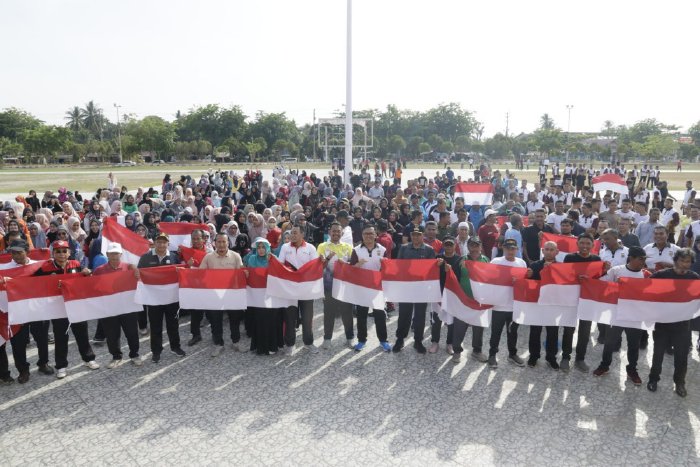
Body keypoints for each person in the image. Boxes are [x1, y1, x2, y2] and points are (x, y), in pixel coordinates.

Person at [34, 239, 98, 379]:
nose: (62, 254)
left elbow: (87, 282)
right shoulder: (45, 268)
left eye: (64, 251)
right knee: (61, 337)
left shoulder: (76, 264)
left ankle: (88, 359)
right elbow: (34, 284)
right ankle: (61, 366)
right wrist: (46, 280)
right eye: (58, 251)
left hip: (76, 306)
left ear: (69, 253)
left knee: (82, 334)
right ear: (53, 253)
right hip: (58, 309)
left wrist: (89, 274)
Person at [592, 246, 651, 385]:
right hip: (616, 314)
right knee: (610, 342)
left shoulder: (646, 275)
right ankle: (604, 365)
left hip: (635, 317)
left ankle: (632, 370)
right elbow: (601, 284)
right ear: (631, 258)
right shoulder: (617, 270)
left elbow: (650, 295)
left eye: (644, 259)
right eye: (640, 259)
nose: (643, 262)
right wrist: (614, 285)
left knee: (633, 345)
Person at [647, 248, 700, 397]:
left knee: (681, 357)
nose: (685, 264)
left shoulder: (694, 278)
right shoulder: (662, 275)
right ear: (676, 260)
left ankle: (680, 383)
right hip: (662, 323)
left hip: (683, 325)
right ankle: (653, 379)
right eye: (682, 260)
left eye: (688, 261)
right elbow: (643, 287)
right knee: (657, 354)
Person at [0, 240, 54, 383]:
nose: (16, 255)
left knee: (42, 338)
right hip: (17, 311)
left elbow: (53, 278)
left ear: (27, 252)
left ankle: (43, 363)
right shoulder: (3, 268)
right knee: (18, 342)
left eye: (19, 252)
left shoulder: (39, 265)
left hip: (38, 309)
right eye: (13, 252)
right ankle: (23, 370)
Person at [136, 232, 186, 363]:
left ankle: (175, 347)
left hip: (171, 299)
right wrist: (136, 273)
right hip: (154, 299)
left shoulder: (174, 257)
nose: (161, 244)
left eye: (164, 242)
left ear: (168, 244)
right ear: (155, 243)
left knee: (173, 325)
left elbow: (181, 274)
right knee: (155, 326)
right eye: (159, 241)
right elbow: (139, 273)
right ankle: (156, 351)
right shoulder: (146, 257)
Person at [94, 243, 143, 368]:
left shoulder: (129, 268)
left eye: (117, 253)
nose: (115, 256)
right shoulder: (99, 270)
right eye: (112, 253)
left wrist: (137, 274)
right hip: (109, 308)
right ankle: (116, 356)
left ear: (121, 254)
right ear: (107, 255)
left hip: (128, 307)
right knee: (112, 334)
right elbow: (93, 287)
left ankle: (135, 355)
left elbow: (139, 283)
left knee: (132, 332)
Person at [199, 232, 246, 356]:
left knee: (235, 319)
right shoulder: (208, 257)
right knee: (215, 320)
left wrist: (244, 273)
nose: (221, 244)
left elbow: (240, 274)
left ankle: (236, 341)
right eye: (218, 242)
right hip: (214, 294)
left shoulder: (236, 256)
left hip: (231, 294)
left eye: (224, 241)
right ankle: (218, 344)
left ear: (228, 243)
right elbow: (200, 274)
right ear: (214, 243)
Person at [393, 225, 439, 354]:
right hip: (407, 288)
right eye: (413, 234)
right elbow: (398, 267)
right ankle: (400, 339)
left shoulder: (429, 250)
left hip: (421, 288)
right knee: (404, 315)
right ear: (411, 235)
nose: (415, 237)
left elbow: (431, 270)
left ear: (422, 235)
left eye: (418, 234)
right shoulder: (403, 248)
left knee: (419, 316)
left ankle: (418, 341)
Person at [560, 233, 601, 373]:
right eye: (582, 243)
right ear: (577, 244)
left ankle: (580, 359)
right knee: (568, 329)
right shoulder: (569, 258)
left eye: (587, 243)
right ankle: (565, 357)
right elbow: (564, 276)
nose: (584, 246)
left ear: (592, 245)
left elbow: (598, 280)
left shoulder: (596, 259)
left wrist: (589, 278)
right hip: (571, 298)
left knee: (585, 330)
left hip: (587, 299)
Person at [277, 224, 321, 355]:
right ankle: (289, 344)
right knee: (290, 317)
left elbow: (314, 266)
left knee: (307, 317)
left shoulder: (310, 248)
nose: (292, 235)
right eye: (291, 233)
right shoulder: (285, 247)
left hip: (306, 288)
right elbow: (280, 265)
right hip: (290, 289)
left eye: (295, 233)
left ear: (303, 234)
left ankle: (308, 343)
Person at [349, 225, 391, 352]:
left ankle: (383, 341)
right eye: (366, 234)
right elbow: (350, 270)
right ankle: (362, 340)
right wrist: (357, 265)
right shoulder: (356, 250)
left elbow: (388, 267)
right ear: (362, 236)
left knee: (380, 315)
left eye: (371, 233)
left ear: (375, 235)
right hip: (362, 287)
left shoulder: (382, 249)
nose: (368, 236)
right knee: (361, 315)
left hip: (377, 287)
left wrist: (385, 265)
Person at [487, 239, 527, 369]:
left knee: (513, 332)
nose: (510, 251)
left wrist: (520, 281)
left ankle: (512, 354)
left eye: (513, 248)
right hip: (499, 304)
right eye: (508, 248)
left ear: (517, 249)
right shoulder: (496, 261)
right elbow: (489, 278)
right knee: (496, 332)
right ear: (503, 249)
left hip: (514, 305)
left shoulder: (521, 263)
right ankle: (492, 355)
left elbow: (525, 282)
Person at [451, 237, 490, 363]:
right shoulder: (461, 260)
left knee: (478, 327)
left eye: (477, 246)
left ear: (481, 247)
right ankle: (457, 351)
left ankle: (477, 351)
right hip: (463, 301)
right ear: (468, 247)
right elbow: (453, 279)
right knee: (459, 327)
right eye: (472, 246)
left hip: (479, 301)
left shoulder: (486, 260)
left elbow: (490, 280)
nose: (474, 249)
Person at [316, 222, 355, 350]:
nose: (336, 233)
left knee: (347, 313)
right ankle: (327, 339)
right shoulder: (322, 246)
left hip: (344, 286)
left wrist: (346, 263)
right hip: (328, 286)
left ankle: (350, 338)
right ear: (329, 232)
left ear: (342, 233)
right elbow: (318, 267)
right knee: (328, 313)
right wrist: (327, 259)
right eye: (334, 231)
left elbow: (353, 266)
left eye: (338, 231)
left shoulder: (348, 247)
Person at [244, 237, 282, 355]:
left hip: (271, 295)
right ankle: (259, 347)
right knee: (259, 320)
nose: (260, 250)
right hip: (257, 296)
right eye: (258, 247)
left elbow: (279, 275)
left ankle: (271, 346)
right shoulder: (251, 259)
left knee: (271, 320)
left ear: (267, 248)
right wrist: (245, 274)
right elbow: (249, 277)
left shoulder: (273, 259)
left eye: (263, 247)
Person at [526, 240, 561, 369]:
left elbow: (563, 285)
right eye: (547, 249)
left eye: (552, 250)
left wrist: (550, 271)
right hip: (537, 304)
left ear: (557, 252)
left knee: (553, 332)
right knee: (535, 331)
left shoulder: (561, 267)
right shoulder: (535, 265)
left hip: (553, 305)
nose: (549, 252)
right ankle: (533, 356)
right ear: (543, 251)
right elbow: (528, 285)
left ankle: (551, 357)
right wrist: (528, 276)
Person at [431, 236, 462, 353]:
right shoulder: (438, 258)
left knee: (451, 320)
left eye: (451, 244)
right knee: (436, 319)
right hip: (438, 293)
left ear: (455, 245)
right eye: (446, 244)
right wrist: (436, 267)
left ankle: (450, 343)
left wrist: (451, 272)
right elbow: (430, 274)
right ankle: (435, 342)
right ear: (443, 246)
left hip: (451, 295)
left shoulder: (459, 260)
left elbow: (460, 278)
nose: (449, 247)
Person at [185, 229, 211, 347]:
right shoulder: (187, 252)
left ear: (203, 239)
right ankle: (196, 335)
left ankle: (217, 336)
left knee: (212, 312)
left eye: (198, 238)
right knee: (195, 312)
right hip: (194, 286)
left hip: (208, 285)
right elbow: (182, 270)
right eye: (193, 239)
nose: (196, 241)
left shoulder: (210, 252)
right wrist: (187, 265)